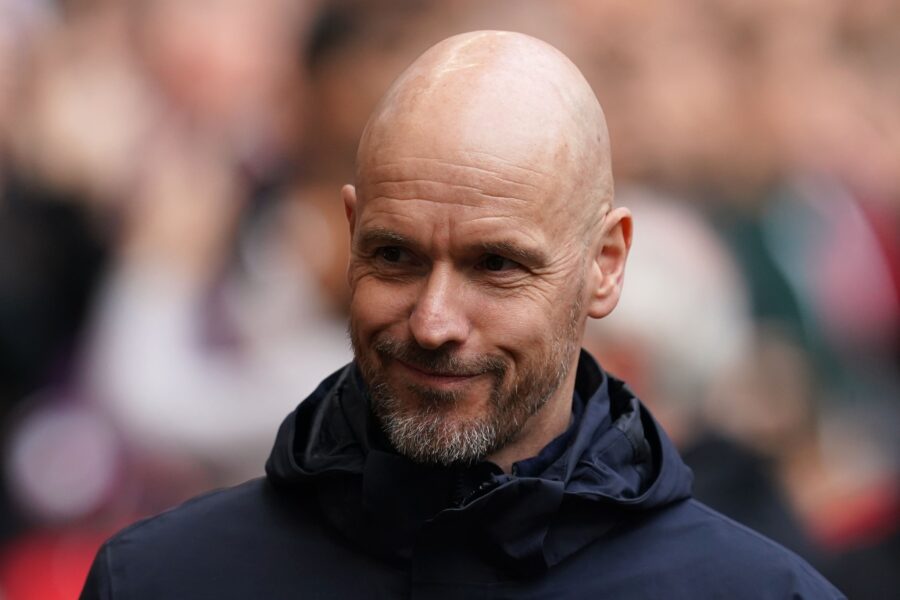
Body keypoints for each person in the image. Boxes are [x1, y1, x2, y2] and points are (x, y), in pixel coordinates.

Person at [80, 31, 842, 599]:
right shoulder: (161, 580)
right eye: (395, 256)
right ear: (351, 235)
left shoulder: (760, 592)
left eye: (496, 265)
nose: (433, 321)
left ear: (605, 265)